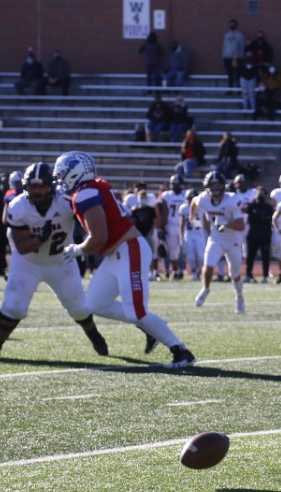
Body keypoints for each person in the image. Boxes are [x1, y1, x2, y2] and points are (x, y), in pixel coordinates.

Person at [53, 151, 195, 367]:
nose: (61, 179)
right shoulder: (97, 185)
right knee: (95, 304)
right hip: (118, 253)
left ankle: (181, 351)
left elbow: (98, 237)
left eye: (63, 174)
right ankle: (151, 326)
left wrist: (77, 250)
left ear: (75, 173)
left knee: (137, 312)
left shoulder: (85, 194)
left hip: (129, 249)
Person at [0, 162, 109, 361]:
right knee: (13, 306)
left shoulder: (67, 200)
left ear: (52, 186)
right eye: (33, 187)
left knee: (78, 308)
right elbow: (22, 246)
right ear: (26, 187)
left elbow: (92, 219)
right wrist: (41, 238)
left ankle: (93, 334)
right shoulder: (18, 206)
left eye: (41, 186)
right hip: (28, 262)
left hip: (61, 260)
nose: (37, 191)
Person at [191, 171, 247, 313]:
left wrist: (226, 223)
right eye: (212, 185)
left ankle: (239, 297)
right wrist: (193, 219)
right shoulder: (203, 199)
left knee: (234, 274)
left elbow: (241, 226)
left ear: (223, 186)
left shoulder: (232, 200)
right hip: (216, 238)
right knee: (208, 264)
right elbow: (194, 201)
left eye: (218, 184)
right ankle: (206, 288)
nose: (215, 187)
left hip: (233, 240)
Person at [157, 175, 188, 280]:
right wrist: (162, 226)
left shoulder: (185, 196)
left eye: (177, 184)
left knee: (186, 250)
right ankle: (176, 271)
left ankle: (187, 270)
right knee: (173, 251)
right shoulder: (166, 196)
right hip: (171, 226)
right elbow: (162, 211)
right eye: (173, 184)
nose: (175, 186)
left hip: (185, 226)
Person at [222, 20, 246, 88]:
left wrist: (239, 57)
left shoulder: (240, 35)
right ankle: (230, 89)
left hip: (237, 58)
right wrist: (224, 56)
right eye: (230, 24)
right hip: (227, 58)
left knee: (238, 74)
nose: (232, 25)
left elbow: (241, 46)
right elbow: (224, 45)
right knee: (230, 74)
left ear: (236, 25)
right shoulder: (226, 35)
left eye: (233, 24)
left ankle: (238, 89)